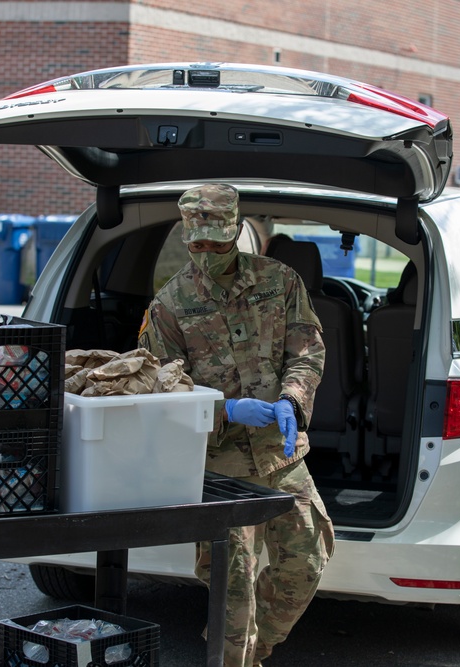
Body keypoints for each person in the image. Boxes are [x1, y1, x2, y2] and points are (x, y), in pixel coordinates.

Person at [138, 184, 335, 667]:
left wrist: (293, 398)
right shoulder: (170, 305)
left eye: (218, 244)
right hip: (219, 465)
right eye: (198, 245)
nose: (208, 254)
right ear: (187, 237)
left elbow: (307, 349)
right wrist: (227, 410)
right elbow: (162, 390)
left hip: (281, 453)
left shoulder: (280, 282)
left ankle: (255, 650)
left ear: (236, 233)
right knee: (233, 589)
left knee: (306, 561)